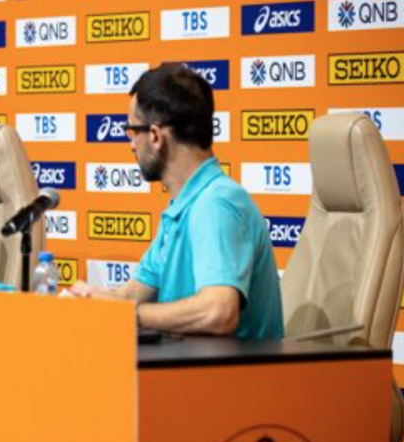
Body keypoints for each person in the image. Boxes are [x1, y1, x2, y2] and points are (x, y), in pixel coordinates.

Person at [70, 65, 284, 340]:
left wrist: (130, 315)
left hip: (230, 368)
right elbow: (131, 294)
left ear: (156, 136)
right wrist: (86, 301)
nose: (131, 146)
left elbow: (219, 311)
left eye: (132, 132)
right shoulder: (182, 207)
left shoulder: (216, 205)